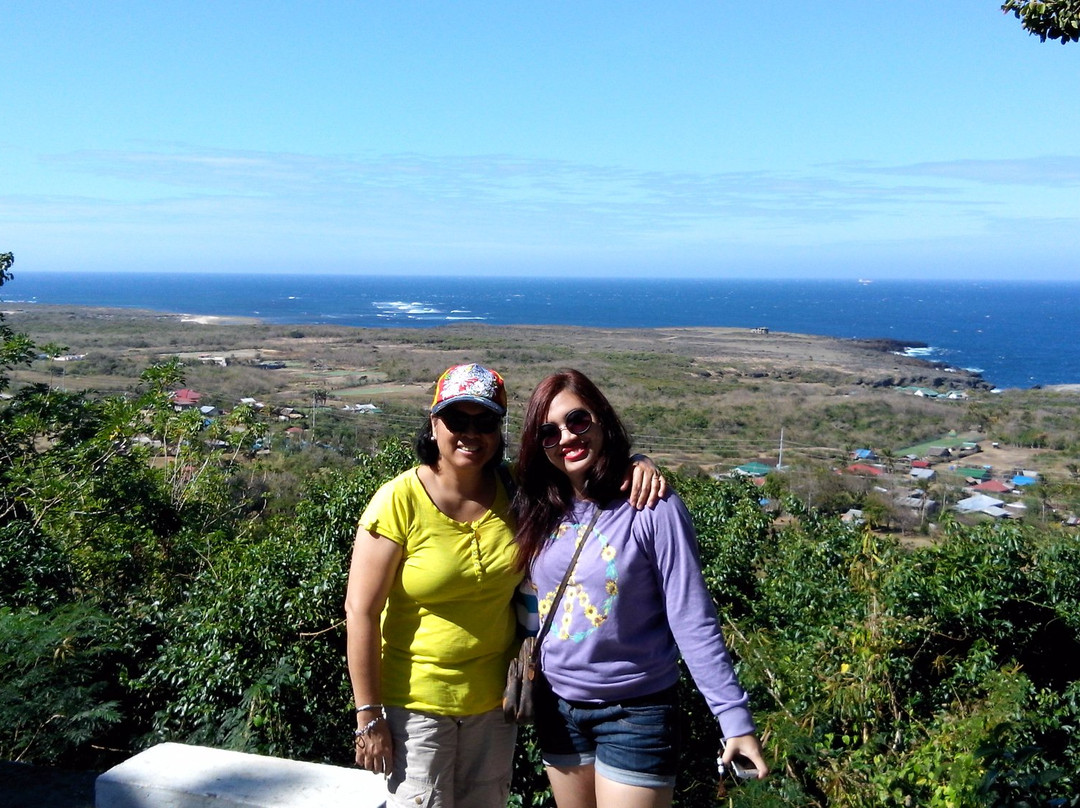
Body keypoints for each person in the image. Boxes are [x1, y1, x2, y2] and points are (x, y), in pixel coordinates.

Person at [344, 363, 666, 808]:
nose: (470, 433)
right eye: (458, 419)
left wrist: (638, 462)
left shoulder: (517, 490)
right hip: (415, 703)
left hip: (495, 703)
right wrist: (369, 716)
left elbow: (583, 473)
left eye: (486, 421)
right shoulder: (398, 501)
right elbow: (360, 611)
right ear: (434, 423)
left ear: (499, 430)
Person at [512, 369, 768, 808]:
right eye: (549, 432)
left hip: (635, 711)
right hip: (557, 708)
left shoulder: (651, 506)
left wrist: (734, 719)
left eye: (578, 421)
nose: (567, 438)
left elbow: (691, 617)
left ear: (602, 420)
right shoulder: (539, 505)